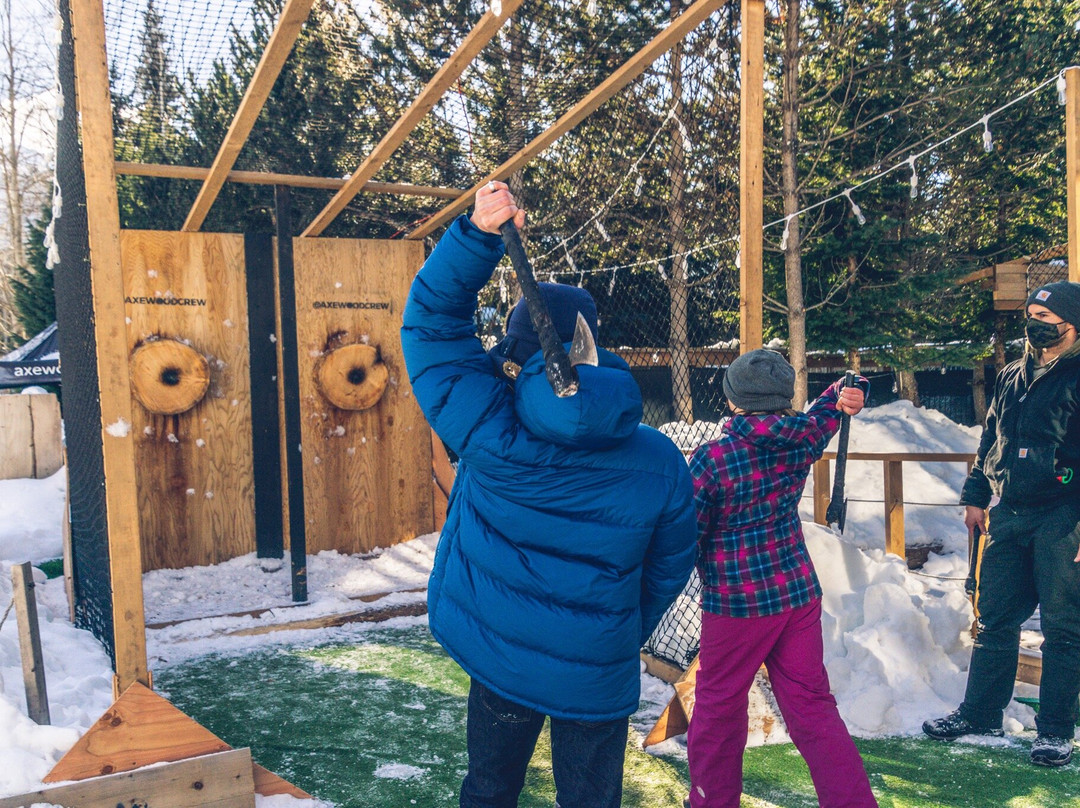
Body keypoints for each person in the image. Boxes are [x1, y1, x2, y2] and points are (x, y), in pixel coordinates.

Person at [400, 181, 697, 808]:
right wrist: (612, 627)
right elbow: (669, 567)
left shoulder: (487, 426)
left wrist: (477, 237)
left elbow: (431, 325)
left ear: (517, 348)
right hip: (597, 667)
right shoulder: (658, 457)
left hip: (501, 654)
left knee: (489, 788)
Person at [686, 349, 878, 808]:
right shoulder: (803, 437)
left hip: (736, 603)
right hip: (795, 593)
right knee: (812, 706)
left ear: (732, 399)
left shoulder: (714, 458)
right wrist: (851, 388)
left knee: (717, 708)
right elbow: (829, 411)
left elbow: (687, 533)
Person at [923, 280, 1080, 767]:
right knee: (994, 620)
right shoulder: (1013, 374)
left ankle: (1055, 731)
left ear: (1071, 326)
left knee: (1064, 627)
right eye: (1030, 315)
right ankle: (980, 714)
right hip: (1009, 513)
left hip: (1064, 514)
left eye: (1044, 319)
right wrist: (976, 495)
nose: (1033, 327)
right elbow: (990, 437)